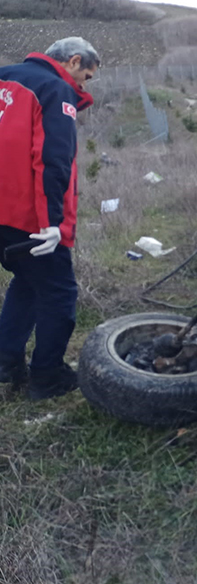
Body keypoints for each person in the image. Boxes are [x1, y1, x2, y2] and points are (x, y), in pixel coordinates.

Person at [0, 37, 99, 399]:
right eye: (85, 77)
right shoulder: (53, 89)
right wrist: (53, 224)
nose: (83, 86)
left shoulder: (3, 77)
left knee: (27, 282)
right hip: (30, 219)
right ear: (73, 62)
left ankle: (5, 361)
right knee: (59, 296)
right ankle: (47, 377)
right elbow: (52, 160)